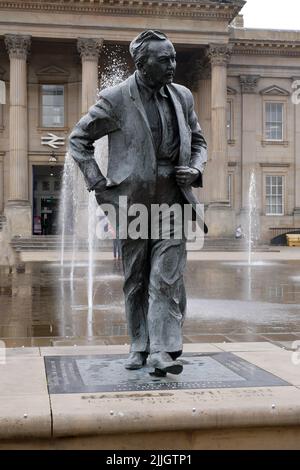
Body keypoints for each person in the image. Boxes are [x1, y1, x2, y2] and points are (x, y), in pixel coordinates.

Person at [69, 30, 207, 376]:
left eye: (174, 57)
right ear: (142, 63)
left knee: (165, 277)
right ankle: (139, 343)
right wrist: (99, 185)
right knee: (136, 279)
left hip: (173, 201)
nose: (173, 65)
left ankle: (161, 350)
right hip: (132, 204)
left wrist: (195, 167)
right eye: (165, 59)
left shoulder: (183, 96)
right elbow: (78, 140)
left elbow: (200, 141)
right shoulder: (115, 99)